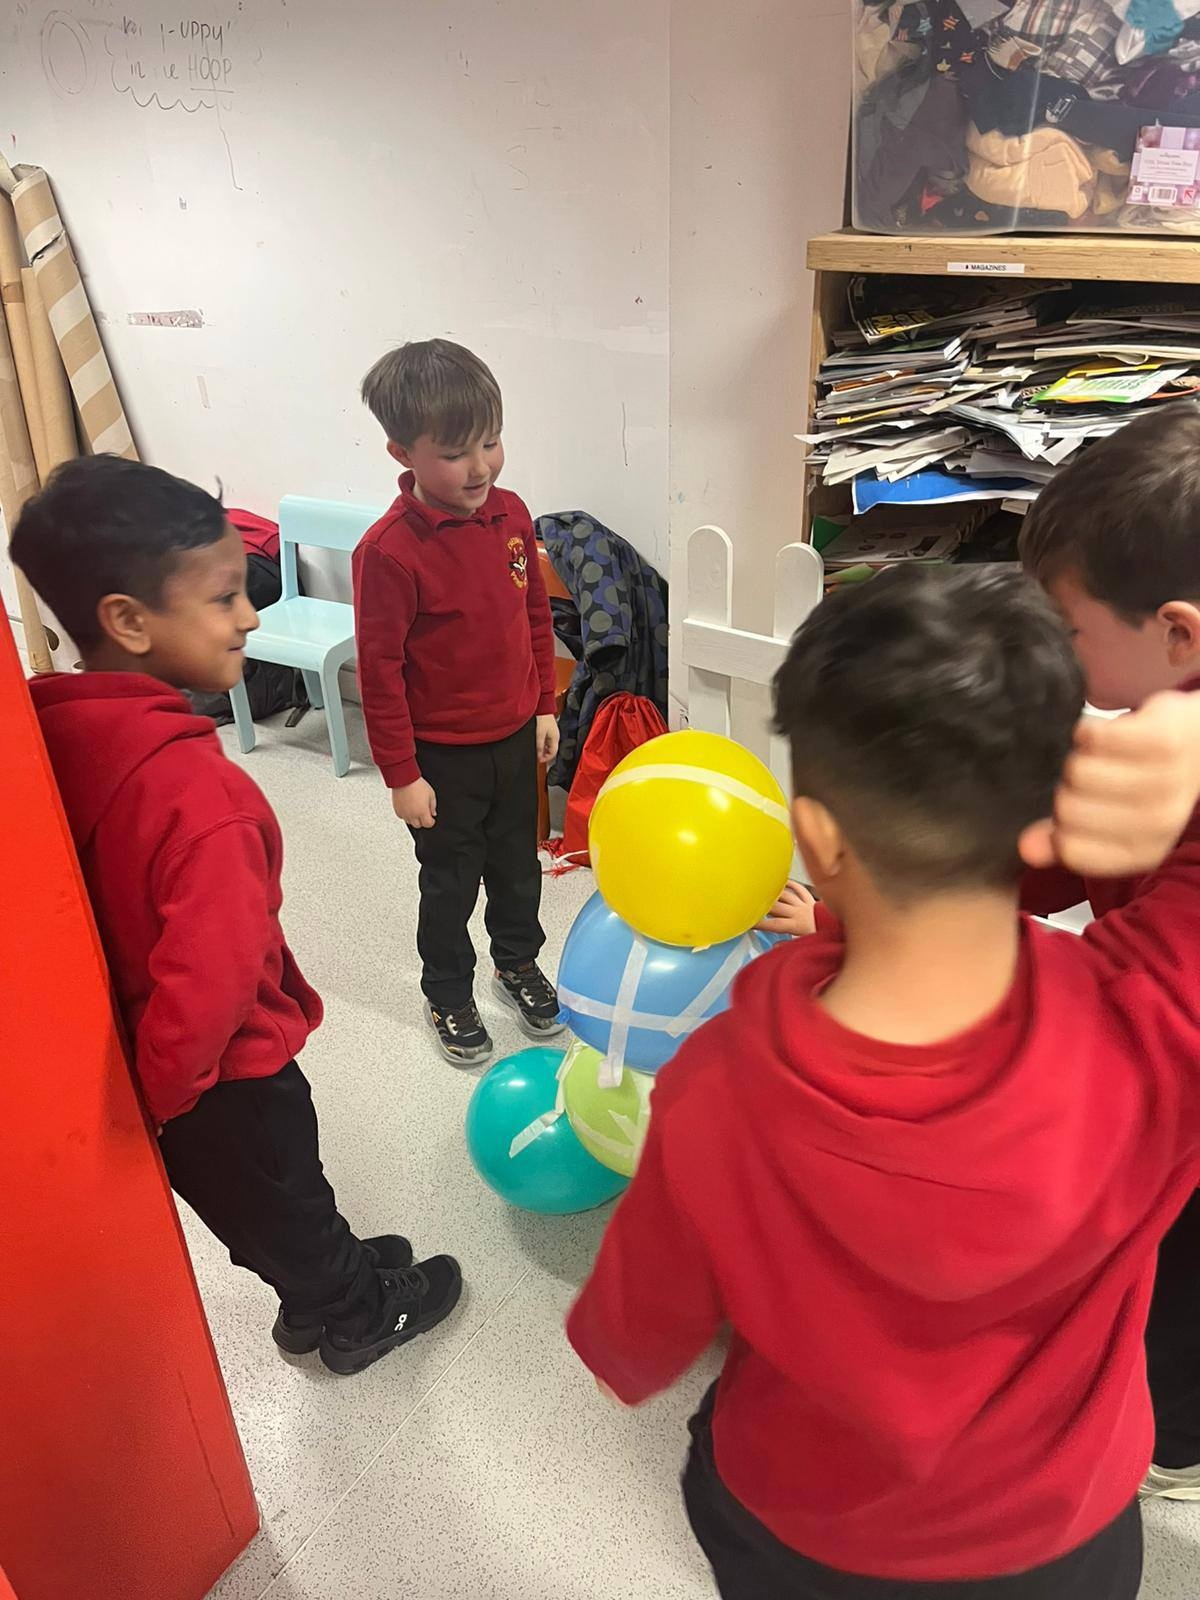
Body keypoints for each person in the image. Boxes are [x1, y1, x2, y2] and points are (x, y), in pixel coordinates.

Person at [567, 563, 1200, 1600]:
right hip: (1059, 1540)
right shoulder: (1158, 1041)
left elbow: (636, 1332)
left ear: (816, 838)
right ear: (1052, 830)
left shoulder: (714, 1093)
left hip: (802, 1531)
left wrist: (623, 1352)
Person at [11, 455, 461, 1377]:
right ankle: (354, 1313)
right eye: (223, 599)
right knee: (283, 1191)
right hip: (223, 1072)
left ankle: (318, 1281)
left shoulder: (48, 734)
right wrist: (165, 1095)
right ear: (128, 621)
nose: (251, 616)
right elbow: (212, 978)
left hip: (157, 1059)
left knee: (262, 1205)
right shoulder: (201, 797)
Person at [353, 338, 564, 1065]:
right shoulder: (388, 552)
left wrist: (544, 705)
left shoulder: (511, 515)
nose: (480, 467)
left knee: (518, 868)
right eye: (454, 453)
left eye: (491, 443)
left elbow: (534, 614)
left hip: (514, 737)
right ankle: (447, 991)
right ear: (401, 453)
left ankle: (517, 962)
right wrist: (401, 774)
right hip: (441, 759)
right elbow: (379, 673)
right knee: (450, 884)